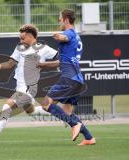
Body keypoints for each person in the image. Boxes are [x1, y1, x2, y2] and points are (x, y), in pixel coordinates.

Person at [0, 24, 57, 147]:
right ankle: (59, 113)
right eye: (20, 38)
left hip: (28, 88)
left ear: (31, 36)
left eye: (23, 38)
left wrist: (46, 65)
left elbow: (61, 60)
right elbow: (9, 64)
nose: (20, 41)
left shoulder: (44, 49)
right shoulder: (20, 47)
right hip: (20, 86)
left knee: (6, 107)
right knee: (31, 112)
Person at [38, 9, 96, 146]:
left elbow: (65, 37)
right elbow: (61, 61)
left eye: (60, 18)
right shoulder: (76, 36)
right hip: (77, 80)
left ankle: (75, 125)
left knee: (46, 104)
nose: (59, 21)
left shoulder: (68, 33)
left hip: (69, 79)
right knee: (67, 112)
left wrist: (58, 36)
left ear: (65, 19)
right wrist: (43, 65)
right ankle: (89, 137)